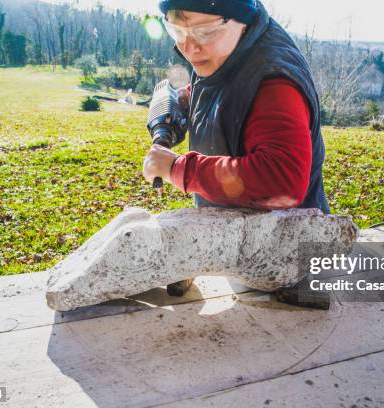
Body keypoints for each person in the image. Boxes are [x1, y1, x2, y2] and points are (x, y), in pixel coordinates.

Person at [142, 0, 331, 303]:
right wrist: (187, 104)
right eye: (176, 30)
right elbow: (226, 94)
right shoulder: (228, 51)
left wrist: (179, 168)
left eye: (203, 31)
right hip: (241, 238)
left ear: (240, 18)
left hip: (285, 262)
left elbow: (281, 181)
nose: (189, 47)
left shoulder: (275, 83)